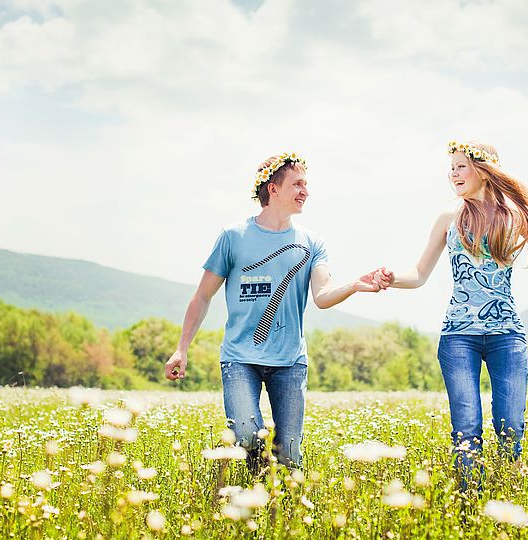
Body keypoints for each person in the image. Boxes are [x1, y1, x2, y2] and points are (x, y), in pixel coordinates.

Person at [380, 140, 528, 492]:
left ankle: (507, 500)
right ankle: (470, 502)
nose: (453, 173)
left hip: (507, 336)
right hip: (458, 337)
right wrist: (393, 279)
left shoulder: (515, 217)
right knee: (467, 427)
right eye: (451, 167)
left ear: (484, 170)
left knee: (511, 424)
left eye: (460, 166)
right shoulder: (448, 218)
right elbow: (420, 273)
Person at [165, 152, 390, 473]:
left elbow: (323, 297)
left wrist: (355, 284)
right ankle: (259, 488)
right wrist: (181, 349)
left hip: (290, 362)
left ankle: (279, 508)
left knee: (290, 458)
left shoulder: (311, 242)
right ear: (273, 189)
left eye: (306, 185)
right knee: (246, 433)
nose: (306, 191)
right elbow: (202, 296)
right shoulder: (233, 237)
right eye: (298, 184)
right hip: (240, 358)